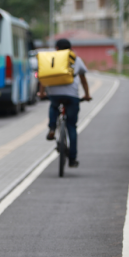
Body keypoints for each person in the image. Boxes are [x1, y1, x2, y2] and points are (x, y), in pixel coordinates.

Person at [38, 38, 92, 168]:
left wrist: (42, 93)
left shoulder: (51, 58)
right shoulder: (76, 59)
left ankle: (52, 127)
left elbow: (43, 77)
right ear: (70, 48)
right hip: (72, 96)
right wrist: (87, 95)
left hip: (55, 94)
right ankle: (72, 159)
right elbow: (83, 80)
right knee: (71, 127)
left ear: (56, 48)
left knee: (54, 104)